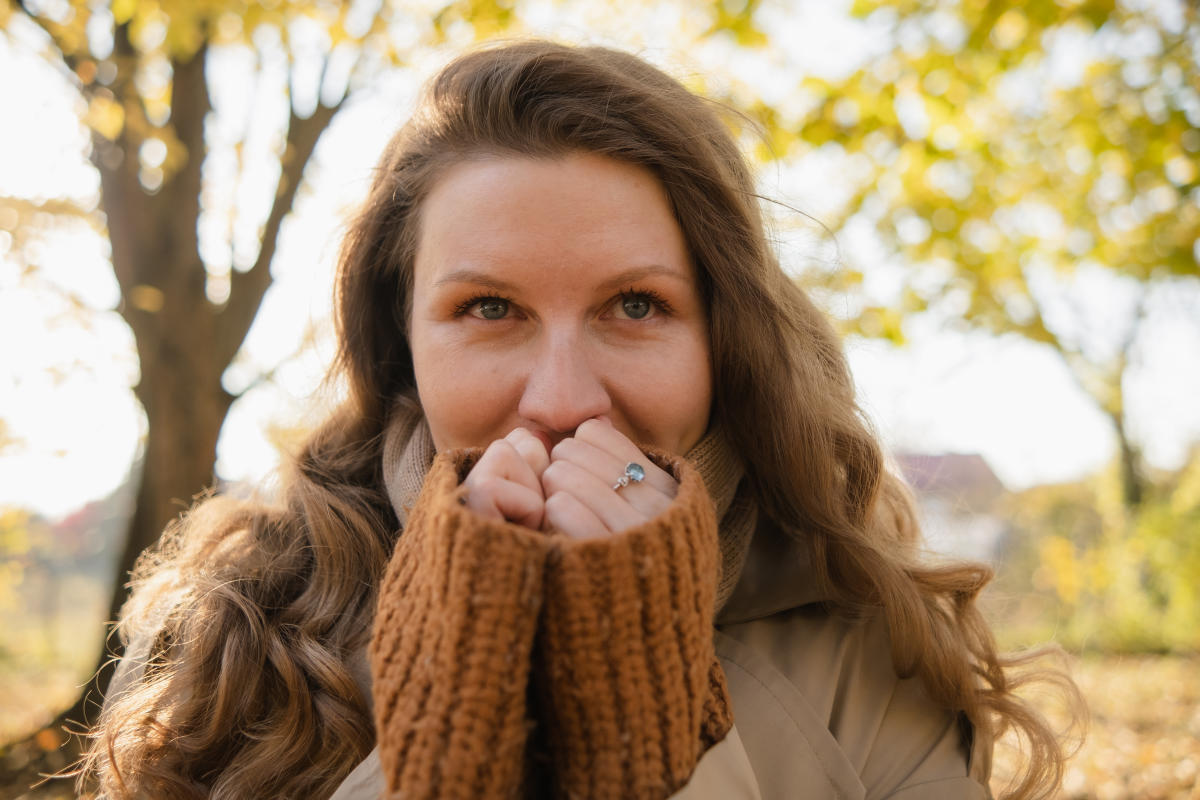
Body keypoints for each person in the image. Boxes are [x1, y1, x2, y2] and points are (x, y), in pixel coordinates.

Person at [83, 40, 1079, 799]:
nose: (562, 399)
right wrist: (438, 744)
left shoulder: (869, 641)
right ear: (402, 340)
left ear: (723, 336)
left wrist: (657, 744)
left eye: (635, 305)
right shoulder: (232, 622)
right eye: (489, 309)